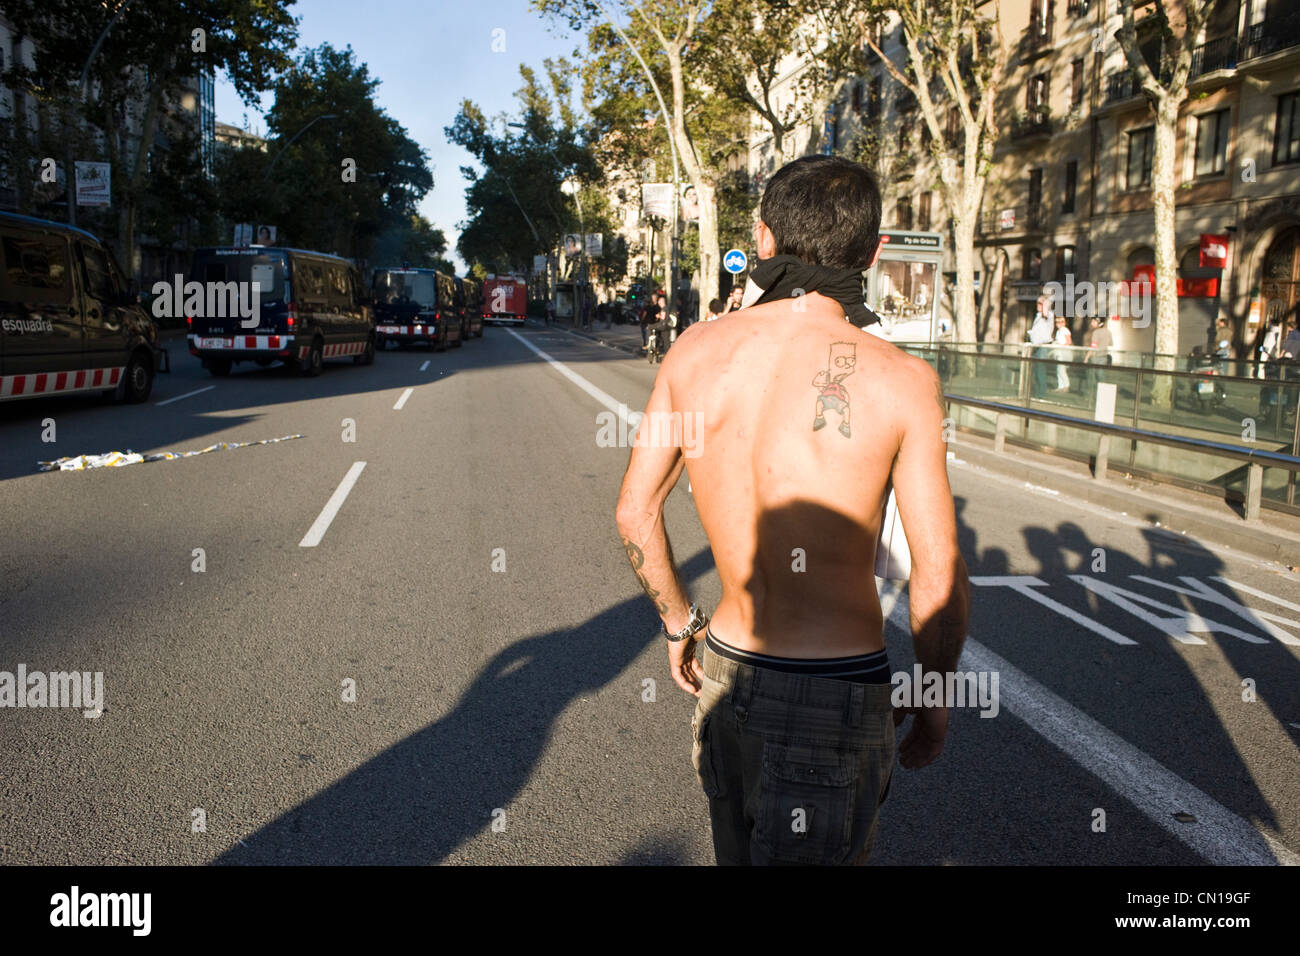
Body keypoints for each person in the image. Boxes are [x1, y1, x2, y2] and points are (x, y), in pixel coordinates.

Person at [615, 155, 970, 866]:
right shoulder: (903, 381)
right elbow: (936, 576)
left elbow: (635, 513)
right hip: (834, 694)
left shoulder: (692, 352)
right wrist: (932, 696)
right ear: (872, 253)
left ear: (763, 238)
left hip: (728, 673)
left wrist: (679, 622)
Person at [1027, 296, 1054, 397]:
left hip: (1043, 346)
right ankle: (1037, 392)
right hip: (1036, 346)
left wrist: (1045, 303)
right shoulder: (1037, 316)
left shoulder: (1049, 315)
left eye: (1041, 304)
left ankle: (1041, 394)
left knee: (1040, 370)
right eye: (1038, 303)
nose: (1038, 305)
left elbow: (1046, 314)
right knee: (1036, 370)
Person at [1051, 315, 1073, 392]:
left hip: (1064, 353)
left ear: (1064, 323)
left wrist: (1061, 346)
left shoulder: (1065, 330)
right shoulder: (1058, 331)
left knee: (1062, 369)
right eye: (1057, 322)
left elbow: (1069, 341)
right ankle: (1060, 386)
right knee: (1059, 369)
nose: (1058, 324)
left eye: (1060, 322)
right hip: (1058, 353)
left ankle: (1066, 385)